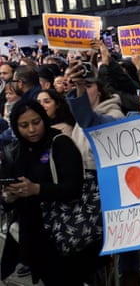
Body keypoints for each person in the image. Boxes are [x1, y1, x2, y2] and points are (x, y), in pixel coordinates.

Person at [0, 99, 104, 285]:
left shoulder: (60, 143)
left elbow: (74, 188)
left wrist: (37, 189)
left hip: (63, 231)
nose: (31, 130)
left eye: (36, 122)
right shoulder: (16, 151)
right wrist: (9, 197)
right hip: (33, 234)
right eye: (24, 125)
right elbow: (9, 198)